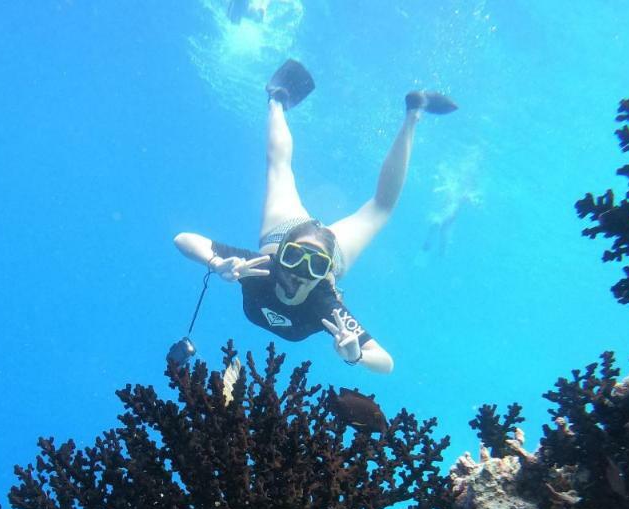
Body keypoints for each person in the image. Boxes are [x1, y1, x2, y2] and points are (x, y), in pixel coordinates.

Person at [174, 60, 456, 374]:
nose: (302, 273)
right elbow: (183, 239)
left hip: (310, 241)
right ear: (282, 257)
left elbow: (385, 362)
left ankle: (414, 113)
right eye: (295, 259)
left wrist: (355, 355)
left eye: (315, 266)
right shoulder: (257, 269)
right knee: (282, 169)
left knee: (377, 206)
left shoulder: (326, 306)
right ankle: (277, 100)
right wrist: (215, 263)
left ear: (323, 272)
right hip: (287, 231)